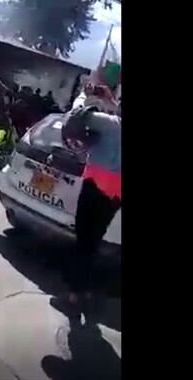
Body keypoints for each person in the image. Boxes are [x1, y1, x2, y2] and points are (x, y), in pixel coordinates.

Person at [57, 94, 121, 324]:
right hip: (116, 193)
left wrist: (89, 99)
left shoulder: (109, 124)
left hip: (95, 185)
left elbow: (75, 116)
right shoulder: (111, 122)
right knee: (94, 241)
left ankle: (74, 295)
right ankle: (84, 291)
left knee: (83, 240)